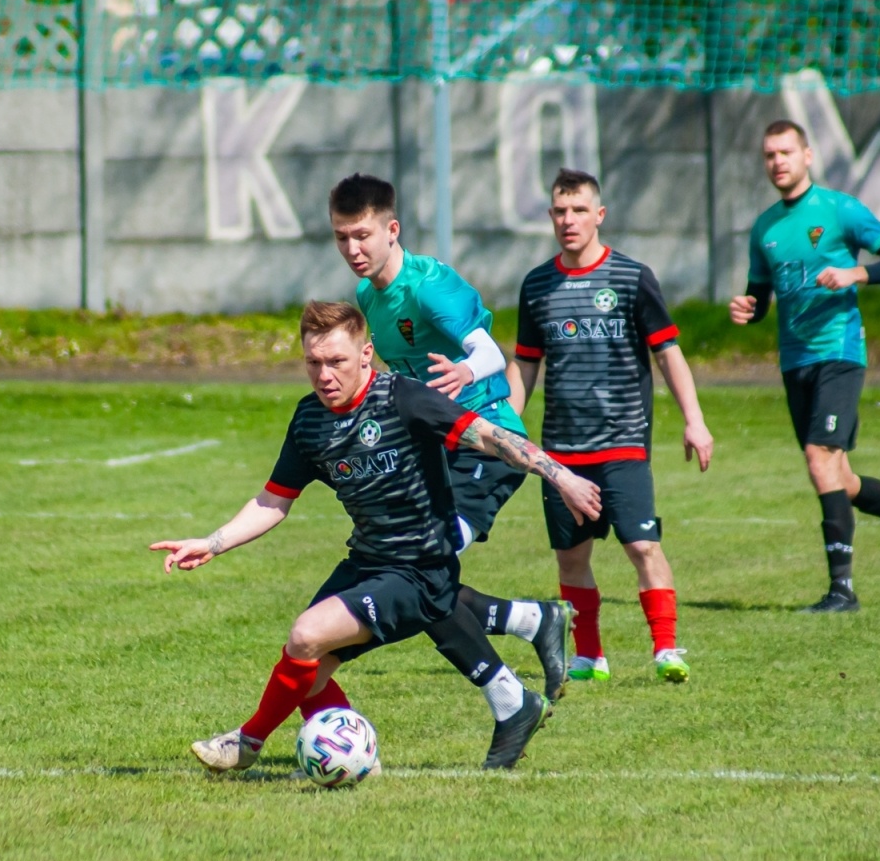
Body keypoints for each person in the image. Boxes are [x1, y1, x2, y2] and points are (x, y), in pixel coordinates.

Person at [151, 302, 603, 773]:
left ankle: (247, 743)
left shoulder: (402, 398)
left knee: (306, 635)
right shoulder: (310, 421)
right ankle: (355, 753)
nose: (324, 375)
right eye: (313, 363)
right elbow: (273, 501)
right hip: (367, 561)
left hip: (420, 569)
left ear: (366, 354)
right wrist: (212, 542)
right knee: (306, 674)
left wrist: (561, 476)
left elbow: (491, 438)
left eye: (336, 362)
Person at [327, 173, 570, 702]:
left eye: (363, 235)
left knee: (418, 569)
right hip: (438, 450)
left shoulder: (429, 285)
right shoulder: (368, 297)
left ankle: (512, 689)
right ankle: (531, 621)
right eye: (342, 237)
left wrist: (465, 372)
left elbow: (486, 351)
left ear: (392, 229)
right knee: (415, 570)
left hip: (489, 445)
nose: (353, 248)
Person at [730, 120, 880, 613]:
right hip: (795, 359)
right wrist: (749, 308)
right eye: (769, 155)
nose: (777, 162)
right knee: (840, 477)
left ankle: (841, 591)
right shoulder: (765, 227)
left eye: (786, 152)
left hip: (839, 352)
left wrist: (858, 272)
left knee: (817, 457)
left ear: (807, 155)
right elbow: (761, 294)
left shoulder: (838, 209)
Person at [510, 168, 714, 683]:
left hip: (622, 442)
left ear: (599, 215)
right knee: (570, 558)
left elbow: (668, 353)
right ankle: (589, 657)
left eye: (579, 210)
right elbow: (526, 365)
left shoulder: (631, 277)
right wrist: (505, 426)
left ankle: (666, 649)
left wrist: (695, 421)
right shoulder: (537, 285)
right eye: (559, 211)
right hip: (561, 450)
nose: (568, 220)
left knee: (642, 546)